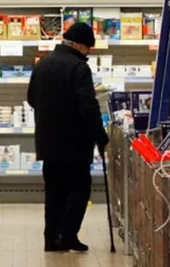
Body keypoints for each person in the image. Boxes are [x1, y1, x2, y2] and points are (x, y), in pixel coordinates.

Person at [27, 22, 109, 253]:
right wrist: (100, 137)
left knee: (54, 192)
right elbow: (88, 106)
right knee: (79, 189)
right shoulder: (79, 68)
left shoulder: (42, 64)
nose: (89, 53)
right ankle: (68, 234)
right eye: (88, 48)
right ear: (79, 45)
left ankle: (52, 239)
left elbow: (32, 99)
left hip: (48, 142)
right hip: (74, 143)